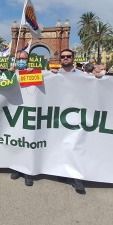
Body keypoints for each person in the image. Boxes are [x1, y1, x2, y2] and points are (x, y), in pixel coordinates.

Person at [38, 49, 86, 194]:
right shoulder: (55, 74)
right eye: (63, 56)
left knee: (74, 144)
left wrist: (99, 75)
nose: (65, 58)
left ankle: (77, 178)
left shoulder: (82, 75)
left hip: (75, 114)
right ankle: (61, 171)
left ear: (73, 58)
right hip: (58, 114)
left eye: (68, 56)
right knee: (59, 142)